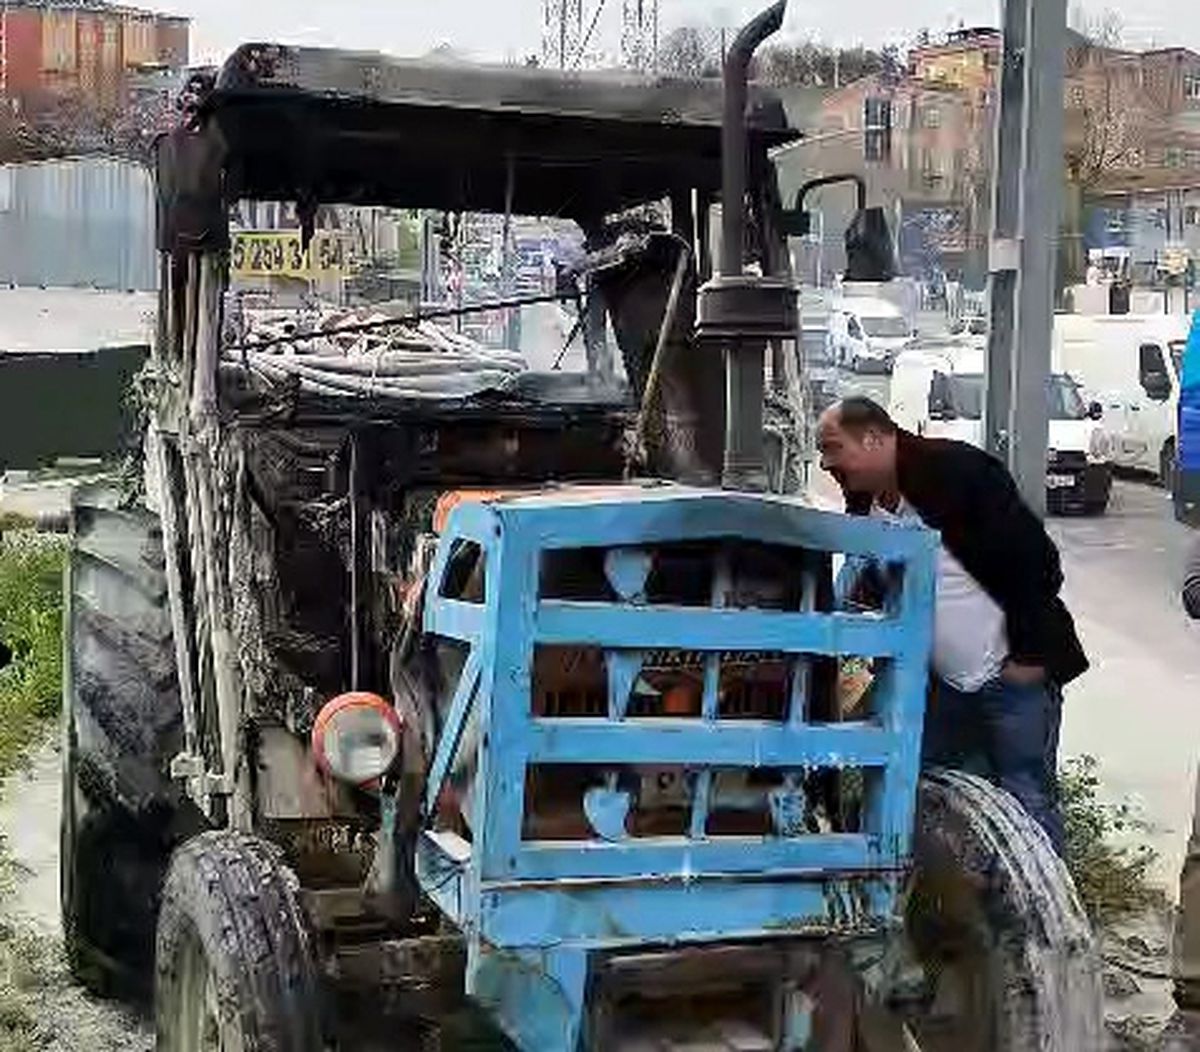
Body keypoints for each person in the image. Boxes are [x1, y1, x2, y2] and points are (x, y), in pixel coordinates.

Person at [817, 396, 1089, 853]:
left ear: (873, 438)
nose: (825, 463)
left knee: (1026, 799)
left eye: (832, 448)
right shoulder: (866, 502)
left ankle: (1043, 917)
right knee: (929, 789)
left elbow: (1037, 563)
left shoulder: (957, 472)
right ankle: (952, 904)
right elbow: (869, 575)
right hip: (943, 687)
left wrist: (1027, 657)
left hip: (1009, 678)